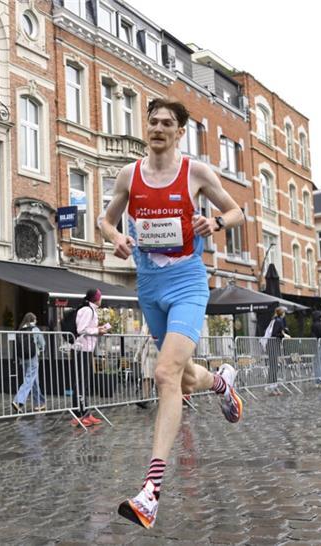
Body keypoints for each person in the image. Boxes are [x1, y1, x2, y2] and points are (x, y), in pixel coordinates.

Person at [99, 97, 245, 529]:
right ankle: (221, 382)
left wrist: (215, 224)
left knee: (164, 374)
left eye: (167, 123)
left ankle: (151, 492)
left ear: (180, 132)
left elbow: (236, 211)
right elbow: (106, 221)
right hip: (149, 286)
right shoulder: (129, 175)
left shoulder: (195, 172)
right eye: (153, 122)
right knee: (180, 376)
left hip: (186, 283)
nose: (158, 128)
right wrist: (116, 238)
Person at [71, 289, 110, 427]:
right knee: (81, 382)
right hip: (82, 349)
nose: (101, 299)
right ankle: (79, 414)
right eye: (100, 297)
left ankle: (85, 412)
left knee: (85, 382)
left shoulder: (90, 310)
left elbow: (87, 329)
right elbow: (81, 329)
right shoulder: (87, 310)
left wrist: (98, 330)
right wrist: (98, 330)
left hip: (86, 349)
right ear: (96, 298)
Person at [12, 312, 46, 413]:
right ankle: (18, 400)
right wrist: (40, 349)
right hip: (33, 356)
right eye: (35, 319)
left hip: (23, 358)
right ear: (33, 320)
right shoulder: (35, 329)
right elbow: (42, 343)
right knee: (29, 379)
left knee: (33, 380)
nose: (36, 321)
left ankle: (39, 403)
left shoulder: (20, 329)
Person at [263, 307, 288, 396]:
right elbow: (275, 334)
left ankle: (274, 386)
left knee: (274, 366)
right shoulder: (278, 321)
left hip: (272, 344)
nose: (285, 314)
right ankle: (271, 387)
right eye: (284, 312)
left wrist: (283, 333)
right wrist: (284, 335)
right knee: (273, 366)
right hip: (273, 344)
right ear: (282, 313)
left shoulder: (275, 320)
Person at [134, 322, 158, 408]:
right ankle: (145, 399)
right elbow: (141, 341)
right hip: (148, 355)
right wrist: (138, 354)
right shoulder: (146, 325)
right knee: (146, 377)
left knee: (159, 378)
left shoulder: (162, 321)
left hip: (159, 354)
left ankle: (162, 398)